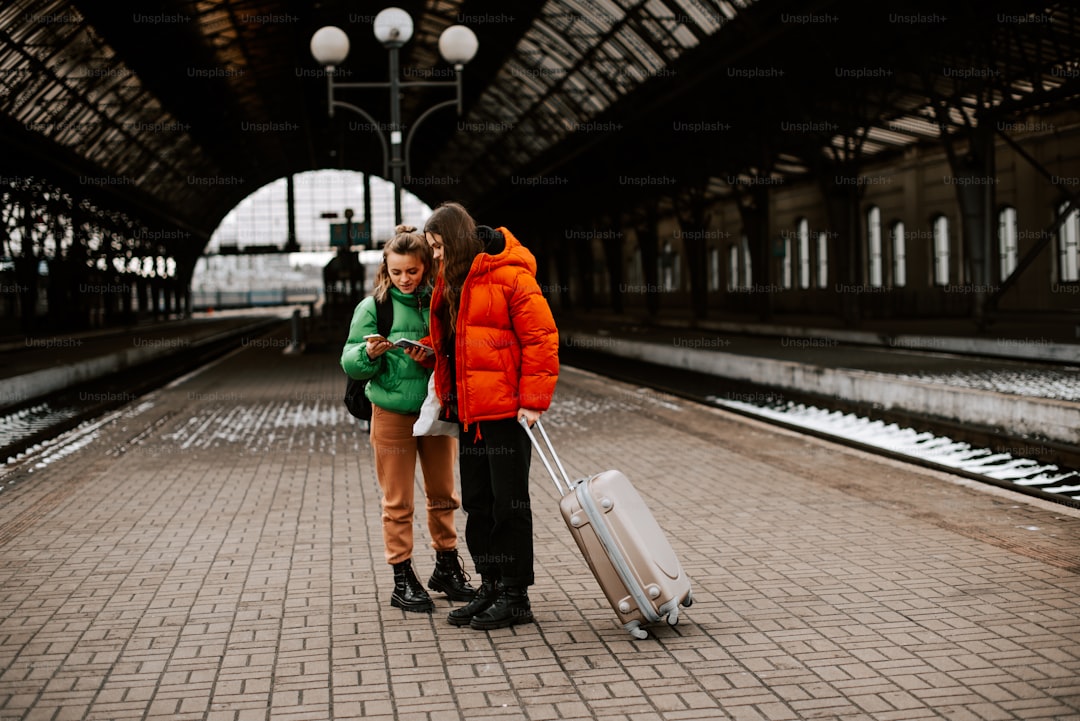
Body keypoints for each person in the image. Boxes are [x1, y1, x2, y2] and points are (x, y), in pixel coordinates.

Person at [421, 202, 559, 630]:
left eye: (439, 246)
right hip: (469, 413)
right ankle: (491, 585)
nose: (436, 256)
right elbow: (463, 338)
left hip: (505, 412)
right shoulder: (453, 280)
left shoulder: (510, 275)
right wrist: (428, 347)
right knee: (479, 504)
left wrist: (534, 400)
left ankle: (516, 595)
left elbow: (541, 338)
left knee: (509, 504)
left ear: (457, 240)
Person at [341, 225, 475, 613]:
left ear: (426, 267)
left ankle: (446, 568)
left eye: (412, 271)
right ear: (386, 268)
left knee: (444, 496)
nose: (404, 279)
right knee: (398, 501)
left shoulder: (439, 300)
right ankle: (402, 578)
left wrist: (431, 356)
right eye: (397, 272)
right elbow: (348, 359)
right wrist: (370, 354)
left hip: (434, 410)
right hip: (392, 414)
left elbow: (454, 350)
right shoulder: (373, 307)